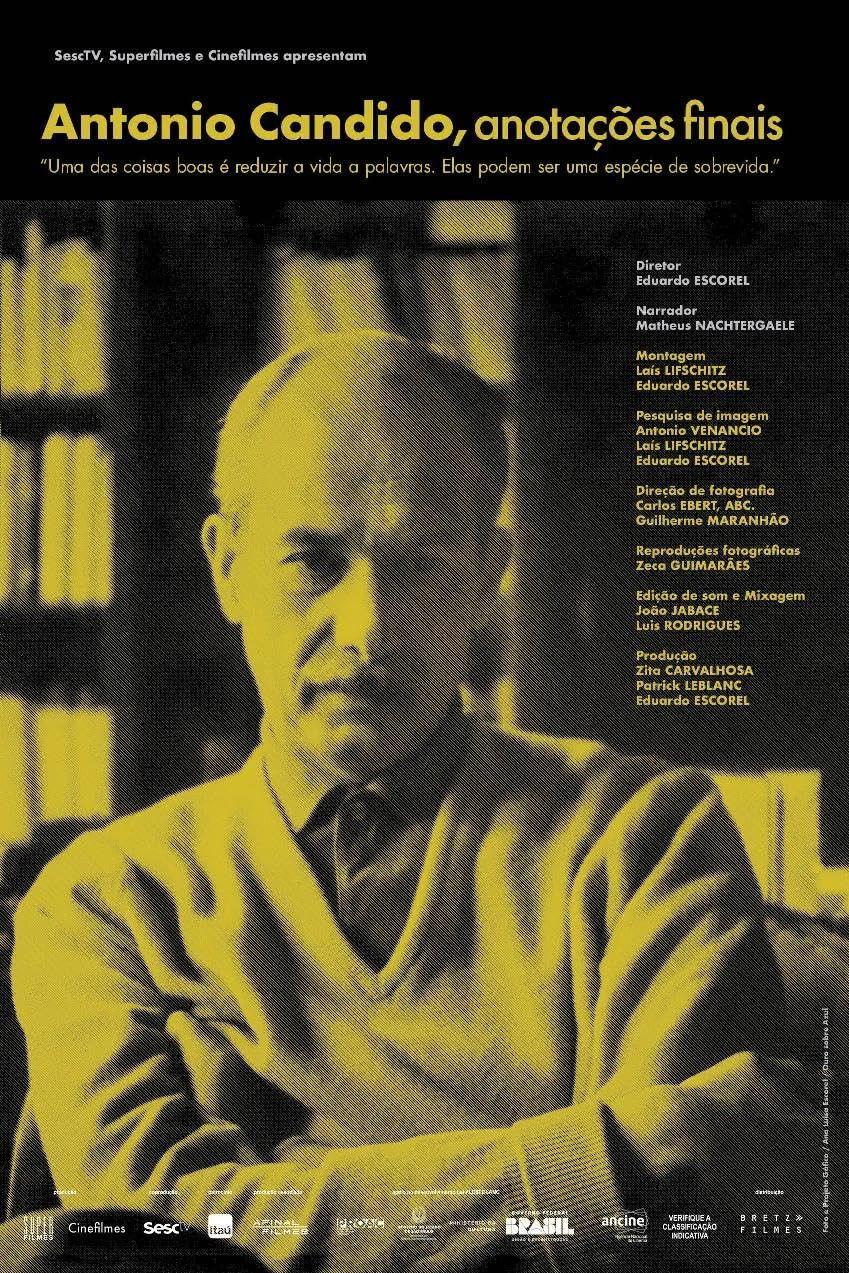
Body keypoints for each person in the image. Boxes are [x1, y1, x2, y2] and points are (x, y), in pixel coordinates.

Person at [10, 330, 819, 1270]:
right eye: (314, 560)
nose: (367, 627)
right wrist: (590, 1173)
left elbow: (681, 1229)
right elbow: (135, 1231)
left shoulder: (647, 833)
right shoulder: (103, 899)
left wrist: (268, 1192)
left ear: (487, 576)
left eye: (421, 562)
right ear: (227, 565)